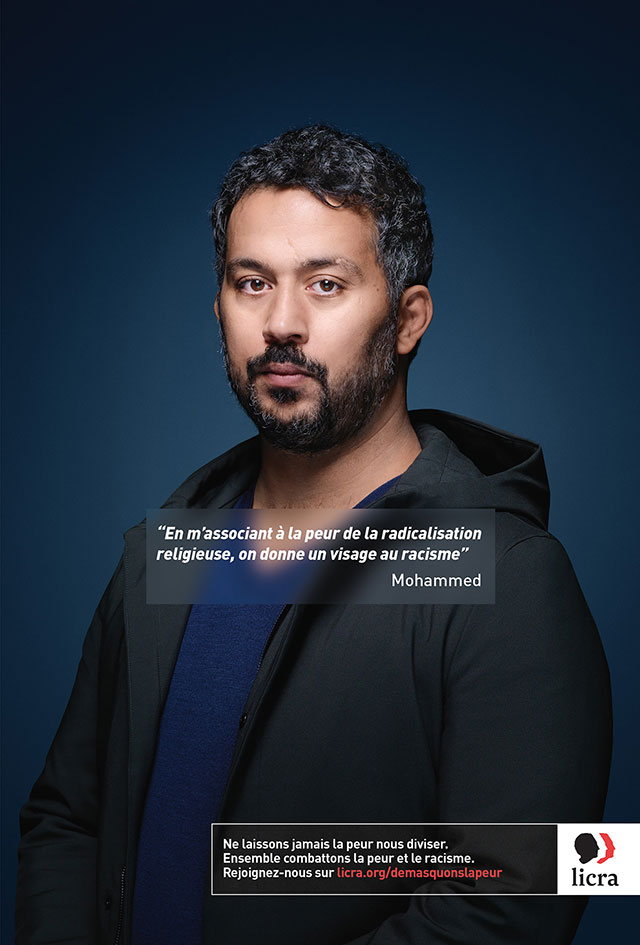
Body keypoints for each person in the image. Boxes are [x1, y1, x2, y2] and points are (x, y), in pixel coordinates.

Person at [16, 125, 612, 944]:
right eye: (250, 282)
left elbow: (513, 900)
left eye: (326, 284)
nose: (281, 323)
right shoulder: (168, 555)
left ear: (407, 319)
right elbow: (66, 818)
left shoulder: (506, 576)